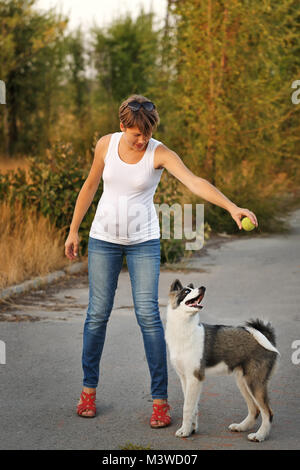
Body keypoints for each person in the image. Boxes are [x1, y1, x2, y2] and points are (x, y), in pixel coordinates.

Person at [64, 94, 258, 427]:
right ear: (122, 125)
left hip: (143, 242)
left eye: (148, 133)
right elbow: (90, 185)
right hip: (103, 241)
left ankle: (160, 401)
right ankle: (88, 392)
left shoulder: (159, 152)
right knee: (97, 313)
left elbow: (195, 182)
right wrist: (73, 230)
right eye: (136, 133)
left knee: (148, 316)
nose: (142, 140)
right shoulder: (105, 146)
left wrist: (231, 207)